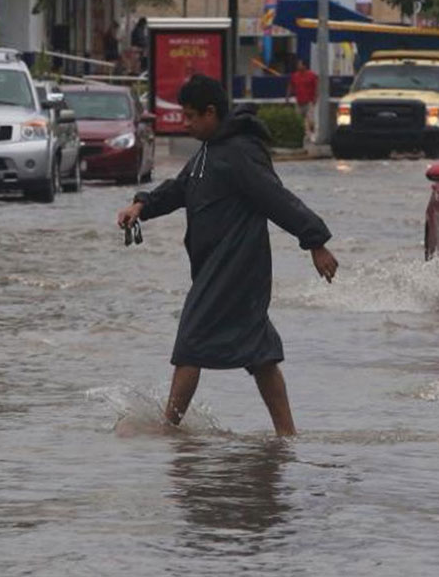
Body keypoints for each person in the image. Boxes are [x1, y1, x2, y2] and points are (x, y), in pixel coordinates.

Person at [115, 75, 338, 437]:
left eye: (190, 117)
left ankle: (169, 429)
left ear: (211, 113)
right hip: (218, 268)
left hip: (236, 271)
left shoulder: (239, 153)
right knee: (260, 354)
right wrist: (141, 204)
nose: (185, 124)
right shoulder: (209, 151)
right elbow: (179, 190)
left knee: (190, 342)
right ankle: (288, 437)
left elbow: (277, 199)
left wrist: (316, 242)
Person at [289, 59, 318, 141]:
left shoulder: (312, 75)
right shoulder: (295, 75)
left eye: (300, 64)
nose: (298, 66)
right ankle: (303, 136)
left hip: (309, 102)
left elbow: (316, 87)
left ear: (305, 66)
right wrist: (288, 96)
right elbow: (291, 85)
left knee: (310, 120)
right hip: (299, 102)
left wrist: (315, 97)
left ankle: (312, 134)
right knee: (299, 120)